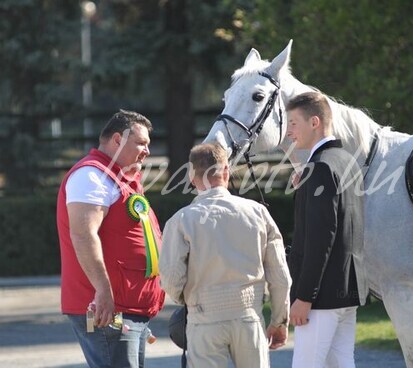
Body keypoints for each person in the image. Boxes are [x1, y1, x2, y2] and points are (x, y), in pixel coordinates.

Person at [159, 142, 292, 368]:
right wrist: (280, 320)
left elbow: (171, 278)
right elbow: (280, 276)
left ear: (192, 176)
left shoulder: (181, 221)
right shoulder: (258, 212)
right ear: (227, 172)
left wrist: (188, 300)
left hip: (204, 316)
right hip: (248, 315)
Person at [56, 109, 165, 368]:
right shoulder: (91, 176)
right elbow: (83, 234)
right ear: (117, 140)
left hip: (125, 308)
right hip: (107, 309)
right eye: (142, 143)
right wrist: (103, 291)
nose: (147, 152)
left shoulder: (118, 178)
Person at [286, 92, 368, 368]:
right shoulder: (347, 162)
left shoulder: (320, 168)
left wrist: (304, 295)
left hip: (320, 297)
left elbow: (322, 237)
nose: (288, 133)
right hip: (347, 290)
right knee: (342, 364)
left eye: (294, 123)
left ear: (315, 122)